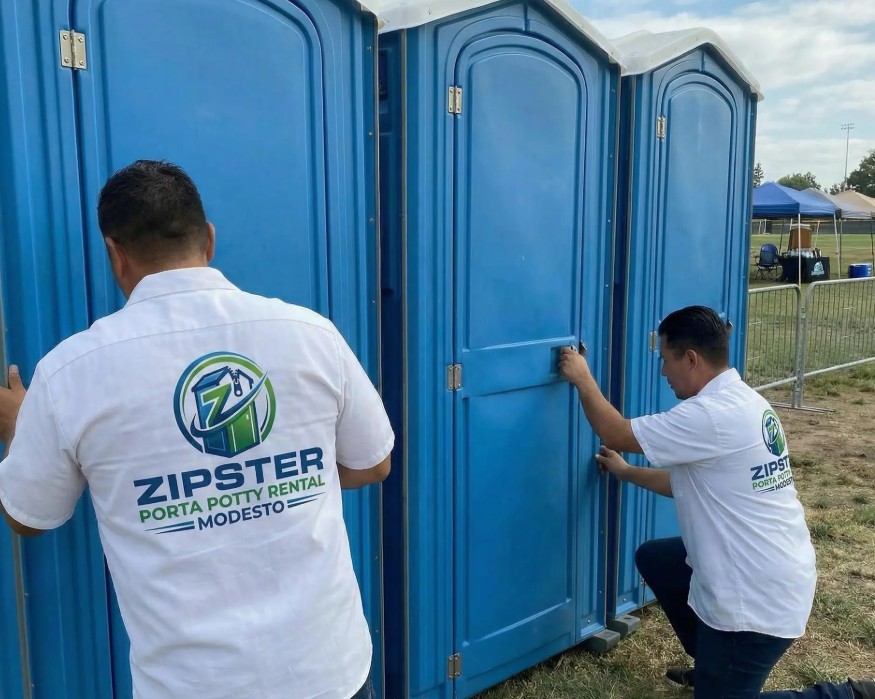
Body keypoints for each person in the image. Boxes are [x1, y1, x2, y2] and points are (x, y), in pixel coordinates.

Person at [0, 160, 394, 699]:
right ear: (208, 238)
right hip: (331, 669)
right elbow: (373, 463)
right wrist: (266, 475)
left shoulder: (71, 372)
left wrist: (22, 430)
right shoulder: (309, 333)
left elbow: (29, 517)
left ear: (115, 253)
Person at [558, 305, 873, 699]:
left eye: (665, 360)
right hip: (775, 571)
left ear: (690, 359)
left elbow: (615, 431)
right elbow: (692, 484)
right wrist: (627, 473)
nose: (662, 372)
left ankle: (851, 694)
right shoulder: (748, 403)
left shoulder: (712, 415)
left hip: (755, 604)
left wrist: (583, 378)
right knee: (658, 559)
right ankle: (714, 663)